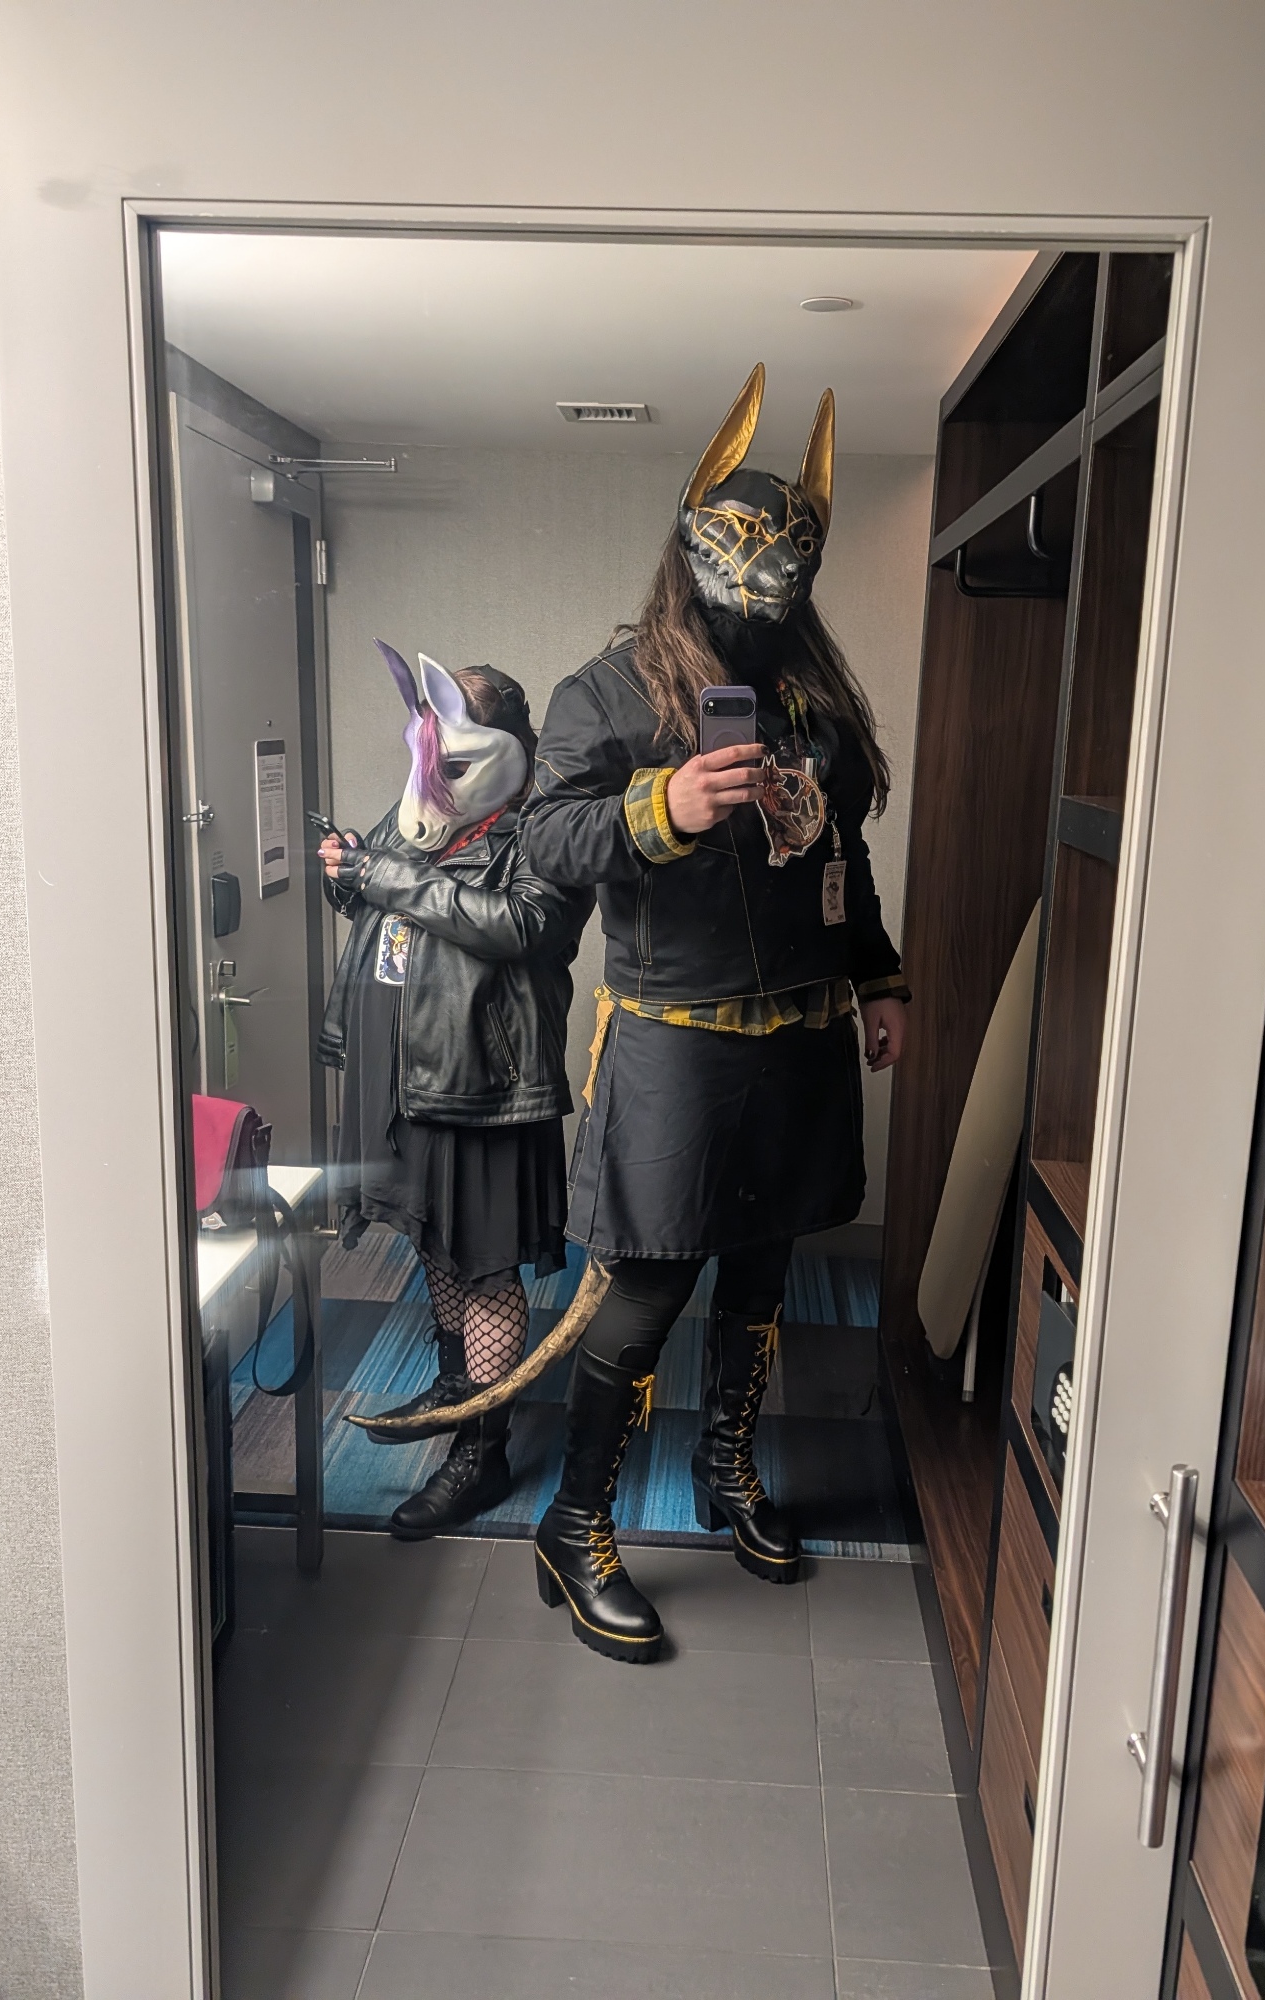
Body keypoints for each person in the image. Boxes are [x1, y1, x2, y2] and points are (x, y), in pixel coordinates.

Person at [518, 364, 908, 1662]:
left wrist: (878, 976)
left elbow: (840, 853)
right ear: (690, 561)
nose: (755, 608)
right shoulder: (608, 692)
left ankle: (726, 1471)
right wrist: (663, 806)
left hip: (799, 1041)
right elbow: (544, 839)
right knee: (643, 1294)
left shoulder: (813, 698)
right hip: (674, 1049)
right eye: (738, 580)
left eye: (779, 586)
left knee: (764, 1271)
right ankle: (575, 1522)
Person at [316, 643, 590, 1539]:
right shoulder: (425, 808)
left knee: (484, 1263)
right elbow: (386, 898)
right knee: (436, 1243)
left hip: (483, 1084)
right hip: (410, 1076)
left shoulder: (548, 827)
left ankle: (481, 1452)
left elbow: (523, 924)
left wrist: (385, 876)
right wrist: (347, 873)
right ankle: (455, 1387)